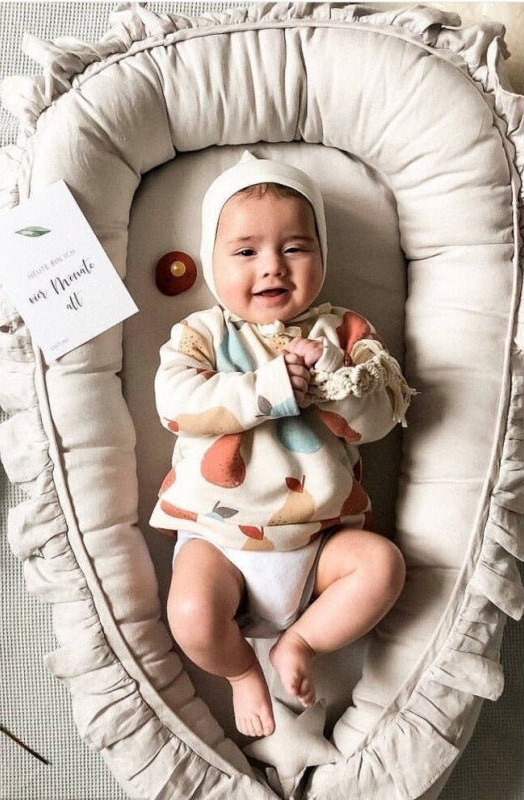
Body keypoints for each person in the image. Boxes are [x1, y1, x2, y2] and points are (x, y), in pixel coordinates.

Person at [149, 150, 415, 739]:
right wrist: (269, 389)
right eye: (246, 252)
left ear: (322, 256)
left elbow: (380, 416)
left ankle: (299, 642)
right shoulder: (201, 334)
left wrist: (332, 381)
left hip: (321, 544)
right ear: (211, 262)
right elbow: (176, 405)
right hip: (219, 539)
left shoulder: (345, 331)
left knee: (383, 567)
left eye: (295, 248)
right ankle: (242, 670)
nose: (272, 266)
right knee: (190, 616)